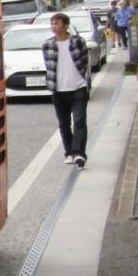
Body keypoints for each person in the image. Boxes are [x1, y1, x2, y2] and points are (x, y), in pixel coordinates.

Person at [43, 12, 90, 168]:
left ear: (66, 25)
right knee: (64, 124)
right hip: (58, 90)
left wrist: (81, 77)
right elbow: (48, 66)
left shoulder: (78, 41)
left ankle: (79, 154)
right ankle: (69, 152)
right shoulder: (47, 45)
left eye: (57, 23)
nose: (54, 26)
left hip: (79, 87)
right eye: (52, 24)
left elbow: (85, 60)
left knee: (79, 121)